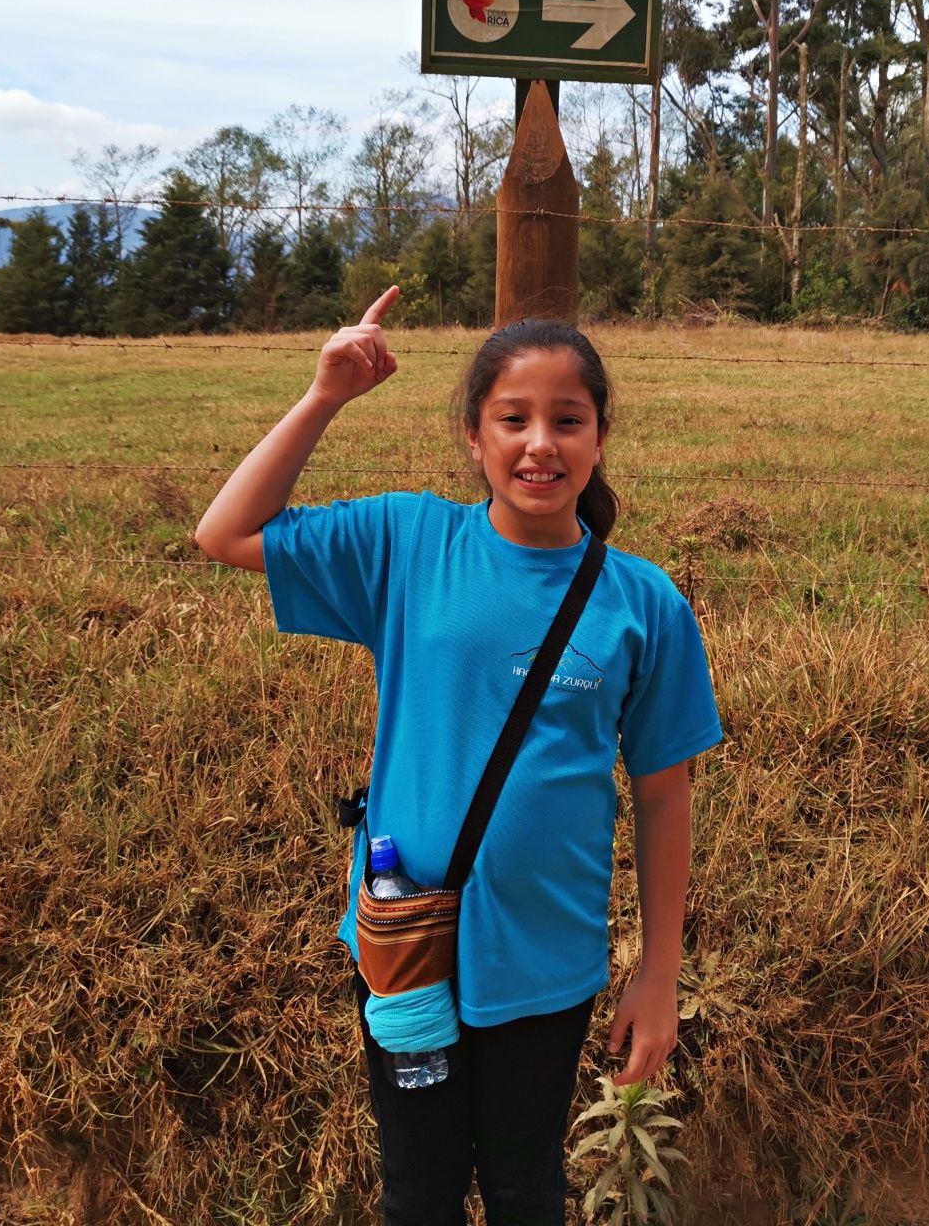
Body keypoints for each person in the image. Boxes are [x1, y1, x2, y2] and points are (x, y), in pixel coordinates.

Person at [193, 286, 723, 1226]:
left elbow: (664, 798)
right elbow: (225, 532)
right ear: (474, 438)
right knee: (419, 1190)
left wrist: (659, 973)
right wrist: (324, 396)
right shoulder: (408, 542)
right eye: (511, 419)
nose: (540, 444)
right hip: (406, 949)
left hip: (546, 957)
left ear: (600, 437)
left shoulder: (642, 603)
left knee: (526, 1188)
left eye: (569, 420)